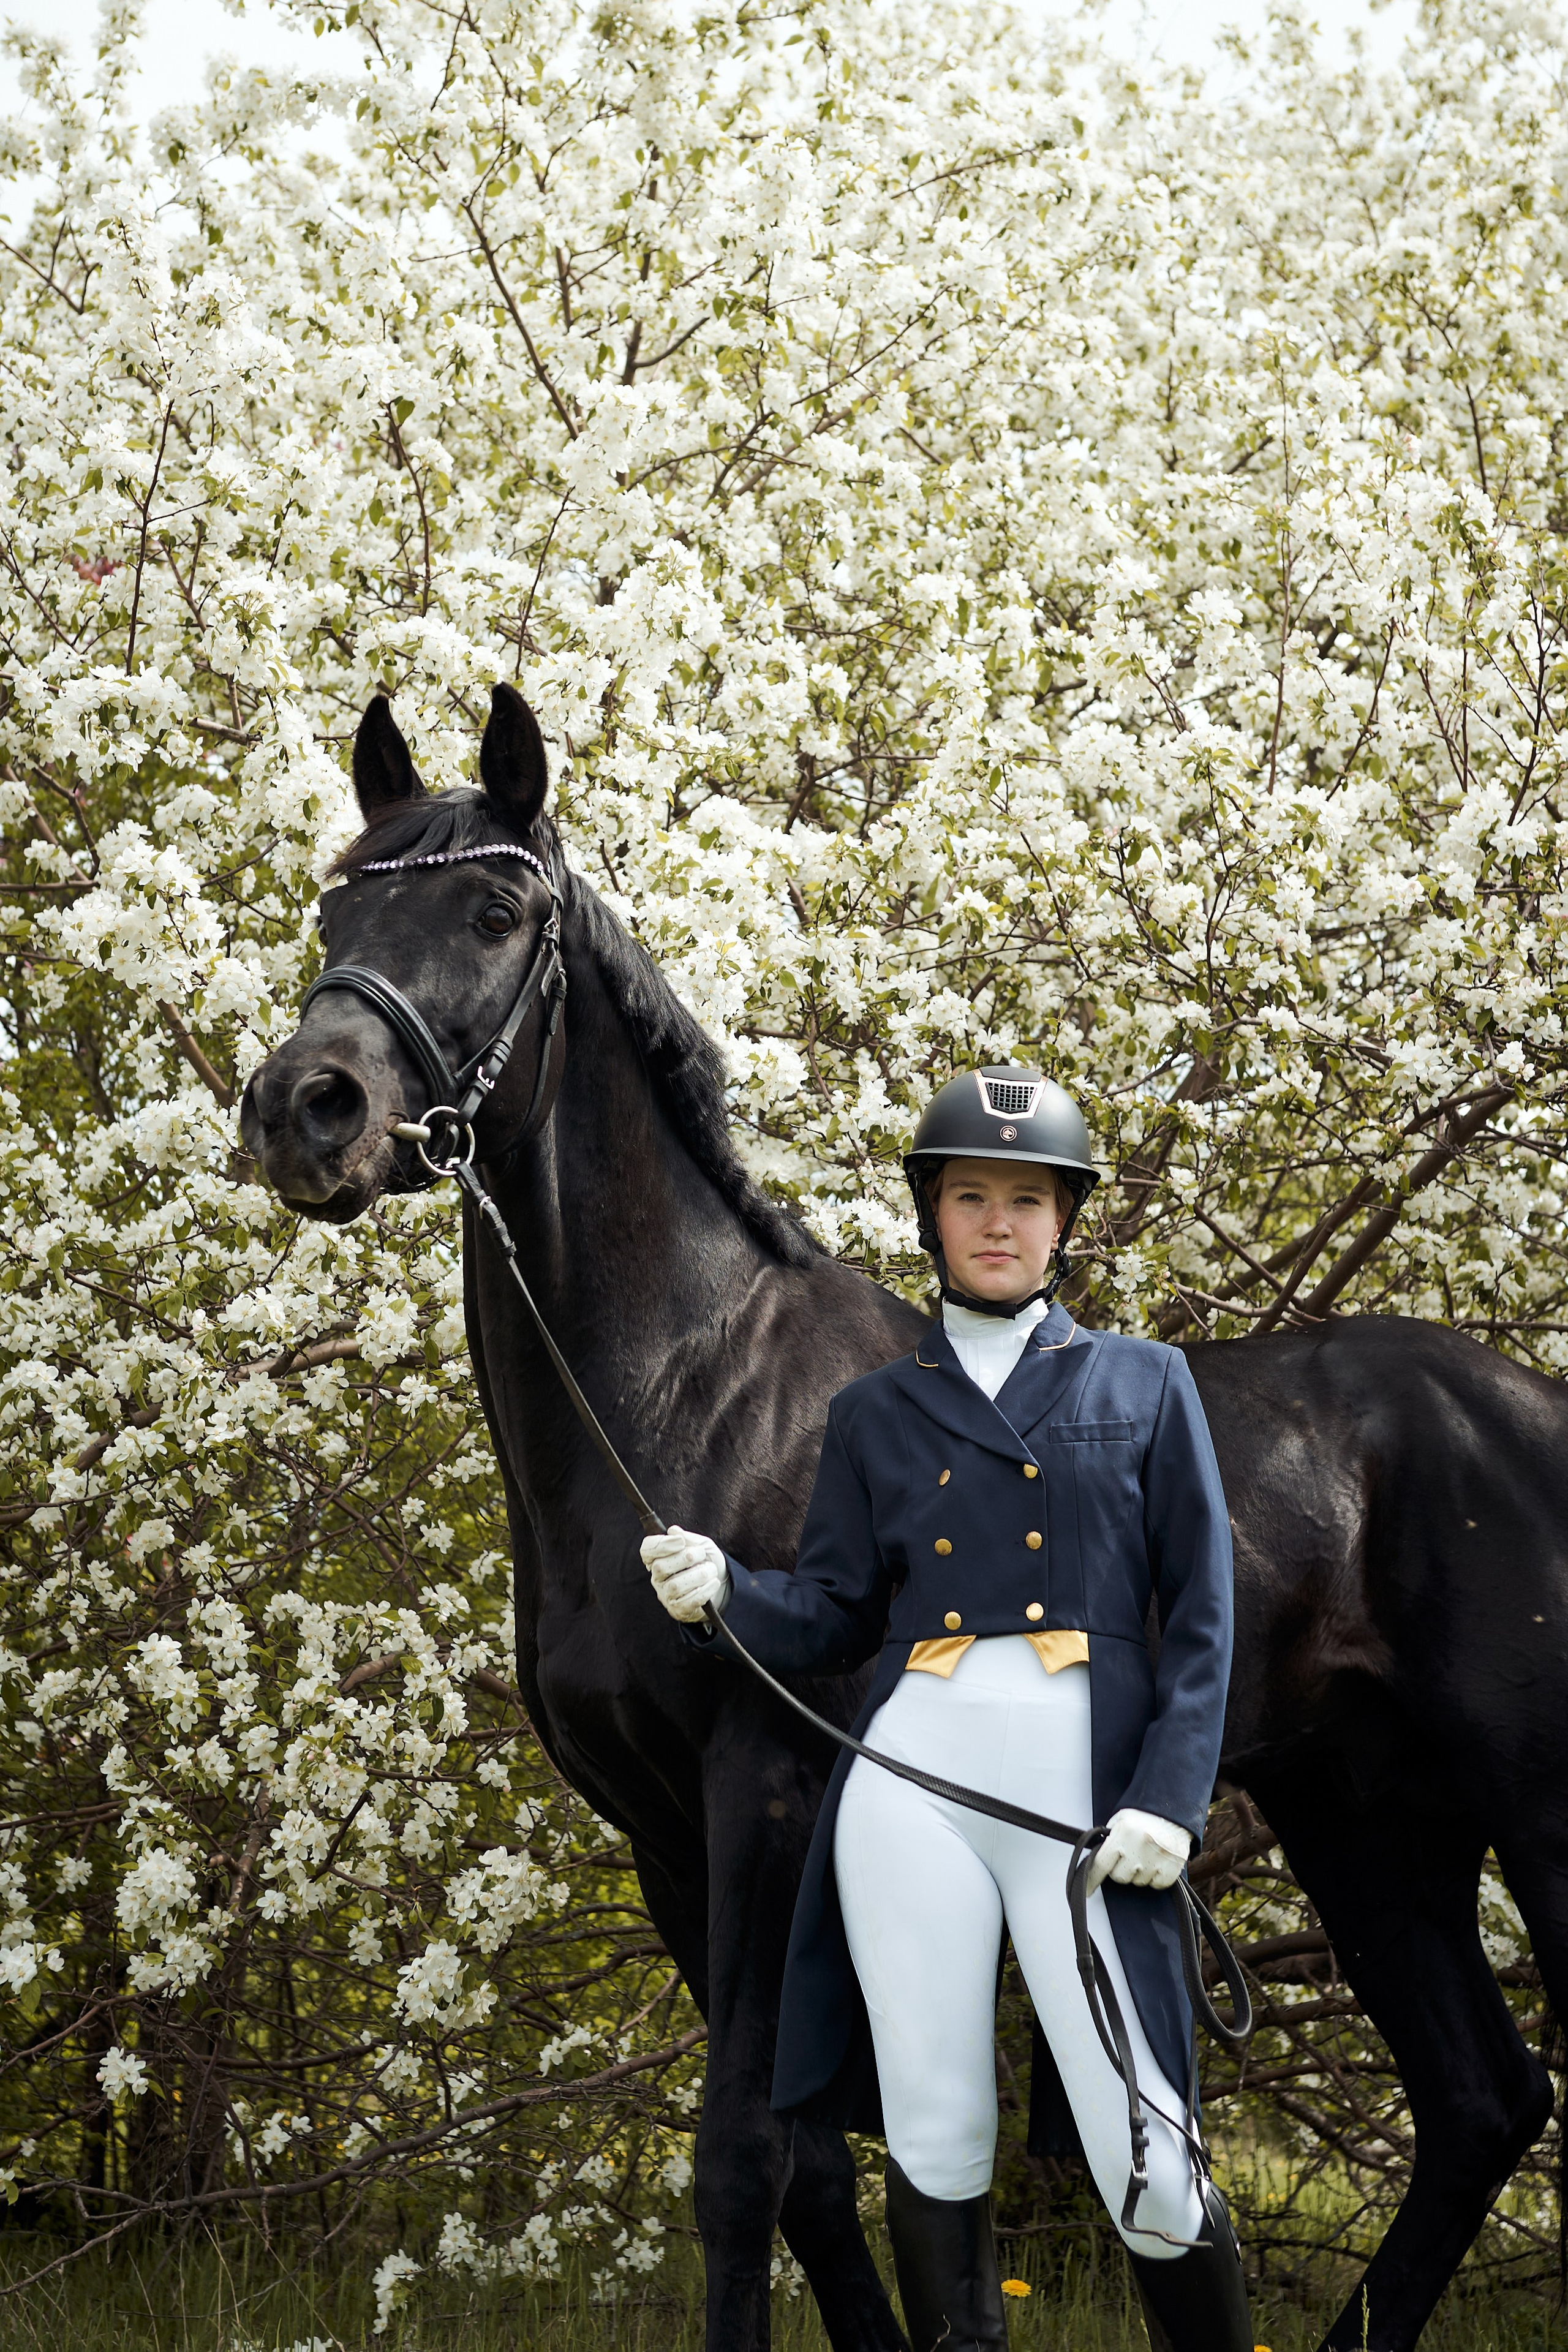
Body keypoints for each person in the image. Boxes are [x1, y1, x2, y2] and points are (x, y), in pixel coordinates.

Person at [642, 1068, 1251, 2352]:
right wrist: (727, 1594)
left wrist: (1170, 1797)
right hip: (912, 1787)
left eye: (1025, 1201)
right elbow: (832, 1616)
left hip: (1085, 1793)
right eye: (970, 1196)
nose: (997, 1223)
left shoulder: (1145, 1385)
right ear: (931, 1215)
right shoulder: (870, 1409)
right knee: (931, 2123)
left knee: (1142, 2141)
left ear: (1063, 1222)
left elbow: (1201, 1616)